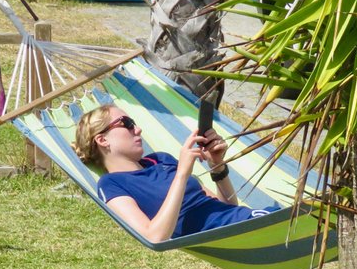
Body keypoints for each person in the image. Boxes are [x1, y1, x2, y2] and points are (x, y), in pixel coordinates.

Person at [74, 104, 278, 242]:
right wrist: (182, 173)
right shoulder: (111, 184)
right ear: (102, 140)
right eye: (127, 124)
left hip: (244, 221)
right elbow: (153, 236)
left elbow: (227, 207)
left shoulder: (161, 159)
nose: (138, 130)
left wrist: (217, 165)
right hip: (235, 234)